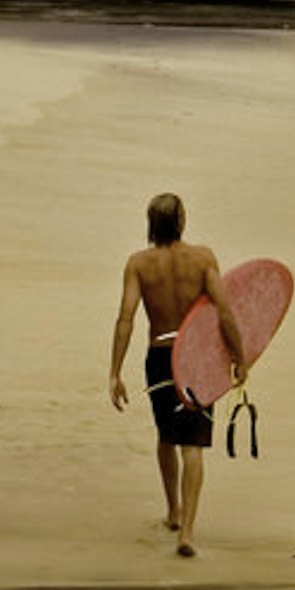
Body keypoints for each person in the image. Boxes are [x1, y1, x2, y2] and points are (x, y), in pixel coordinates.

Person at [109, 192, 248, 556]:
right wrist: (239, 356)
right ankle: (187, 532)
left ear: (150, 224)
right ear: (182, 222)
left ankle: (172, 510)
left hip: (159, 356)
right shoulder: (203, 258)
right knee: (193, 446)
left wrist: (115, 372)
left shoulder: (138, 263)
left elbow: (126, 317)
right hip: (197, 359)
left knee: (166, 436)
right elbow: (224, 311)